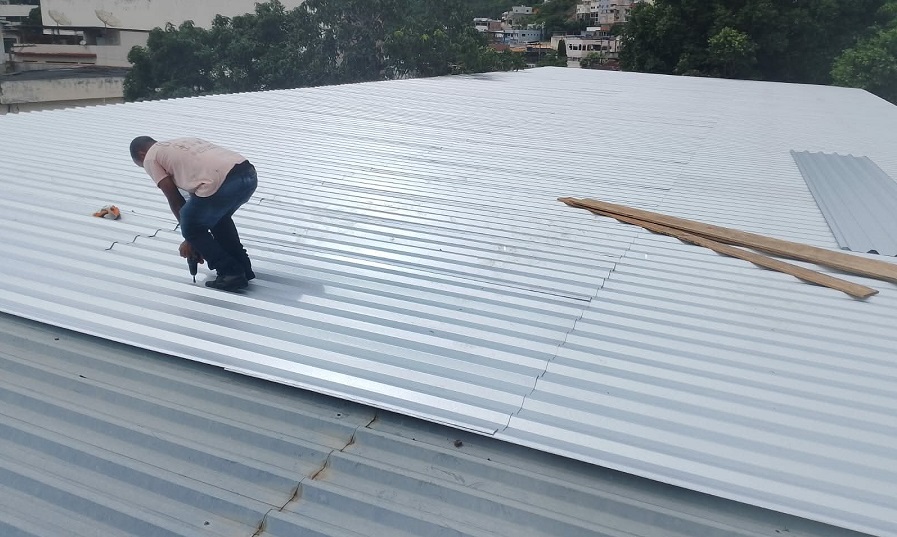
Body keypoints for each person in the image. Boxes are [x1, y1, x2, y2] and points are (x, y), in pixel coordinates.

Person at [129, 136, 257, 291]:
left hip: (221, 182)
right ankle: (243, 267)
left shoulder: (150, 157)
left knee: (191, 226)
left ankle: (230, 272)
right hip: (248, 173)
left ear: (141, 154)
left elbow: (174, 198)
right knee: (218, 219)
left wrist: (189, 238)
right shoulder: (182, 142)